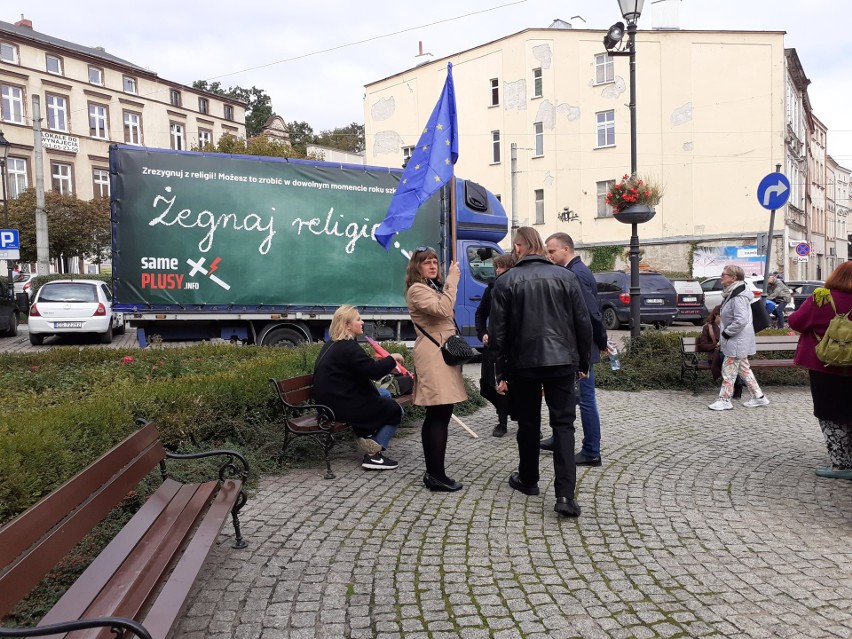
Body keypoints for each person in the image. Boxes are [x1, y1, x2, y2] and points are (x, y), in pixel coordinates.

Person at [489, 227, 592, 517]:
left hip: (523, 363)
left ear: (519, 247)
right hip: (562, 362)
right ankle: (565, 496)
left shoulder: (506, 281)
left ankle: (529, 478)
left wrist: (499, 370)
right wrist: (583, 362)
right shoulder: (566, 277)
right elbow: (582, 324)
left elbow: (497, 333)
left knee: (529, 423)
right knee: (563, 426)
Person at [541, 232, 608, 467]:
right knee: (569, 396)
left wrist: (601, 342)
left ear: (566, 250)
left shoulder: (576, 274)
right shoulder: (573, 271)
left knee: (586, 399)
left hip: (583, 347)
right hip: (578, 345)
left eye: (551, 251)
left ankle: (591, 451)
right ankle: (559, 438)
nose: (548, 256)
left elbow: (591, 313)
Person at [313, 305, 405, 470]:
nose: (362, 322)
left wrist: (381, 363)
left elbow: (363, 368)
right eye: (358, 319)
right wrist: (392, 358)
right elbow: (373, 372)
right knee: (396, 410)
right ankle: (373, 455)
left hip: (330, 402)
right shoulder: (348, 347)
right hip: (338, 406)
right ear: (347, 325)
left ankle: (366, 434)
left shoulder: (335, 344)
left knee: (383, 394)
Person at [406, 247, 467, 492]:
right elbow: (443, 310)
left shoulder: (432, 287)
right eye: (426, 263)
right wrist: (452, 279)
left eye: (434, 262)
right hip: (433, 356)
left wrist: (446, 283)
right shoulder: (417, 289)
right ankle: (435, 475)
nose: (433, 266)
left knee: (442, 413)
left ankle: (437, 473)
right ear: (416, 267)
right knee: (438, 414)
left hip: (442, 354)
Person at [787, 262, 852, 480]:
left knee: (829, 413)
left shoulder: (821, 298)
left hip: (824, 366)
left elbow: (795, 322)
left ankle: (841, 465)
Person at [708, 265, 770, 410]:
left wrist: (725, 333)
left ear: (734, 278)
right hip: (737, 340)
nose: (721, 276)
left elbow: (741, 320)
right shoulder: (734, 293)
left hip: (736, 340)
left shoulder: (738, 296)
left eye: (724, 274)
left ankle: (724, 399)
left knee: (728, 370)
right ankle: (758, 397)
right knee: (744, 369)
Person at [476, 253, 515, 438]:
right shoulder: (491, 288)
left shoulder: (518, 287)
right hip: (494, 345)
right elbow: (480, 314)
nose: (498, 270)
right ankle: (502, 421)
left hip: (514, 345)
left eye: (501, 267)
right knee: (493, 383)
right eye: (497, 267)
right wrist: (482, 333)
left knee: (518, 384)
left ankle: (524, 419)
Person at [697, 305, 745, 399]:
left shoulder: (729, 327)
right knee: (729, 359)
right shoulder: (708, 327)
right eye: (722, 316)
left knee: (733, 359)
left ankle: (737, 385)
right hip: (715, 355)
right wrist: (716, 345)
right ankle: (738, 385)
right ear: (716, 315)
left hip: (729, 352)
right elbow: (702, 345)